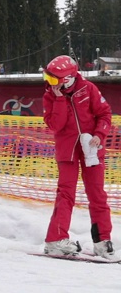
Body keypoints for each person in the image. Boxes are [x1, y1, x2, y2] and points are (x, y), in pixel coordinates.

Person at [42, 55, 115, 259]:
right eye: (47, 78)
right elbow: (56, 125)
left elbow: (105, 114)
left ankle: (102, 241)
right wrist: (57, 98)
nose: (49, 83)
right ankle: (55, 240)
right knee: (66, 194)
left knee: (97, 194)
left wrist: (99, 135)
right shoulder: (50, 95)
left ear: (68, 78)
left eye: (54, 79)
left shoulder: (88, 89)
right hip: (68, 151)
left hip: (92, 150)